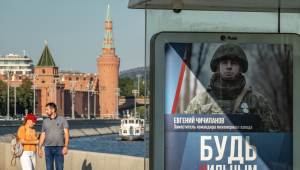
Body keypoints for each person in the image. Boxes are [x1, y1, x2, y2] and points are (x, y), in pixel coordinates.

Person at [185, 44, 279, 132]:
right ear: (218, 67)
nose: (229, 67)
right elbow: (184, 139)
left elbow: (272, 142)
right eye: (224, 63)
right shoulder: (199, 102)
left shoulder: (257, 101)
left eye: (234, 63)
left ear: (240, 68)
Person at [38, 102, 69, 170]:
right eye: (45, 109)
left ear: (53, 110)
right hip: (48, 148)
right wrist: (39, 148)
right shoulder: (45, 121)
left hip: (59, 148)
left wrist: (66, 146)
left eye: (47, 109)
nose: (46, 111)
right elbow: (43, 135)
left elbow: (66, 134)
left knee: (59, 168)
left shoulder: (62, 119)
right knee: (49, 168)